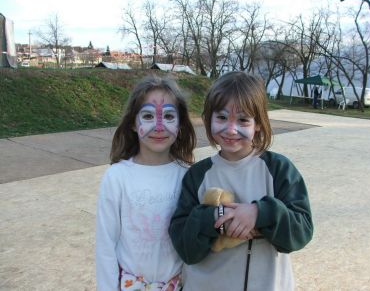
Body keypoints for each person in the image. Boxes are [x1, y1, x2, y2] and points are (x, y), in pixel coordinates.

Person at [169, 71, 313, 291]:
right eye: (222, 117)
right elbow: (186, 249)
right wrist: (216, 219)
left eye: (243, 119)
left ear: (258, 124)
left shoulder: (278, 169)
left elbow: (300, 233)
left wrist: (260, 213)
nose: (231, 129)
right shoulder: (197, 175)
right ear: (209, 119)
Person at [96, 75, 196, 291]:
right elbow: (106, 246)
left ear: (180, 124)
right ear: (133, 122)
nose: (158, 127)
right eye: (148, 116)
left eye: (169, 116)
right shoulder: (117, 177)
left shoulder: (188, 176)